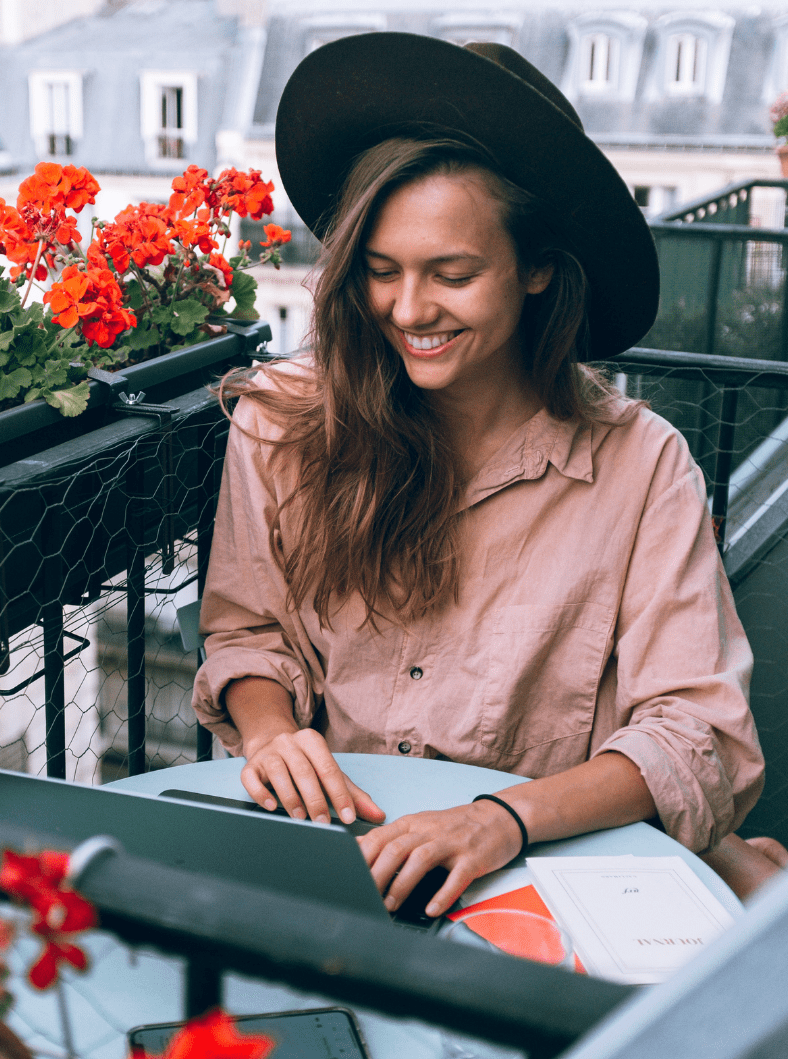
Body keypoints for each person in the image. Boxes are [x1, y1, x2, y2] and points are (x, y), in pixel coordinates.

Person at [191, 33, 784, 913]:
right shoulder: (282, 422)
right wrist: (272, 733)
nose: (408, 309)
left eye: (453, 274)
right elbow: (249, 633)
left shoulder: (639, 463)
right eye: (380, 272)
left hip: (542, 880)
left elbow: (698, 735)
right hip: (333, 866)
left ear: (538, 267)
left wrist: (497, 820)